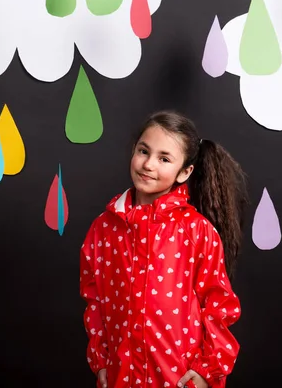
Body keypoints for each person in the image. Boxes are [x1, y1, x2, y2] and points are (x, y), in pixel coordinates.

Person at [79, 110, 249, 388]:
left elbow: (218, 306)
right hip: (121, 376)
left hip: (178, 378)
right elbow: (94, 300)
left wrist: (208, 370)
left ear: (185, 172)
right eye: (143, 151)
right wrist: (101, 362)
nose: (148, 164)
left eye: (164, 158)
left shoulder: (196, 230)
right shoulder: (103, 229)